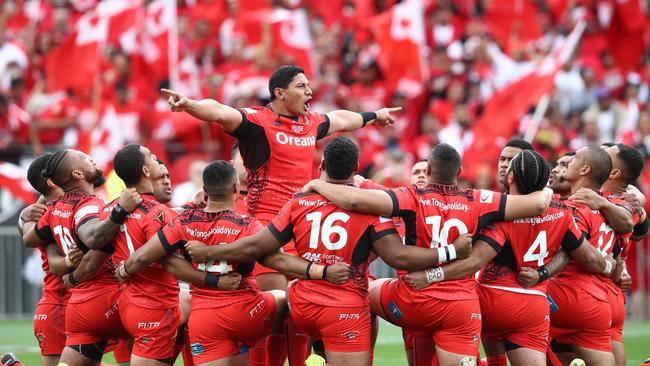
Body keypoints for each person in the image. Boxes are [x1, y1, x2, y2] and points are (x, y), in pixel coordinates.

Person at [161, 64, 401, 365]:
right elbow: (221, 112)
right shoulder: (257, 122)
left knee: (303, 315)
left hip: (301, 230)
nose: (310, 92)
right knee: (274, 317)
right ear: (279, 92)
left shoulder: (311, 123)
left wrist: (373, 116)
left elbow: (341, 119)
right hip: (266, 233)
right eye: (302, 86)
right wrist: (189, 105)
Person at [182, 138, 472, 366]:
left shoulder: (299, 201)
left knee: (285, 305)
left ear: (321, 165)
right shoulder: (372, 206)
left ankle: (317, 356)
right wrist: (447, 253)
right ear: (357, 168)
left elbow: (260, 247)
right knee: (370, 296)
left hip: (301, 305)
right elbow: (396, 256)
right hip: (345, 306)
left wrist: (208, 253)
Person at [302, 143, 553, 365]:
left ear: (429, 172)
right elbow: (539, 203)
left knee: (363, 292)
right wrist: (549, 190)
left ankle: (343, 355)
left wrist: (317, 184)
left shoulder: (410, 197)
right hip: (461, 307)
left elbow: (355, 201)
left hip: (414, 300)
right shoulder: (479, 198)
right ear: (460, 172)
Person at [114, 160, 352, 366]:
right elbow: (278, 260)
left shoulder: (182, 222)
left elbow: (146, 255)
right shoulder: (248, 225)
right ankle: (315, 356)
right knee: (289, 295)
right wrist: (320, 272)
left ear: (204, 190)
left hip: (204, 320)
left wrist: (125, 269)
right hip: (247, 314)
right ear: (237, 188)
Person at [405, 150, 615, 365]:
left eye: (508, 163)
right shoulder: (562, 211)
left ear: (512, 177)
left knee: (446, 314)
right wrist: (610, 267)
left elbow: (474, 262)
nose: (503, 166)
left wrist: (431, 275)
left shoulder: (502, 214)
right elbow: (582, 254)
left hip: (492, 299)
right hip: (535, 306)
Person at [21, 149, 141, 366]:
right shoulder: (85, 206)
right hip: (87, 299)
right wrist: (120, 211)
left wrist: (23, 219)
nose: (92, 159)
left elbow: (32, 241)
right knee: (171, 308)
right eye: (85, 158)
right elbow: (94, 238)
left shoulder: (53, 210)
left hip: (78, 303)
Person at [546, 145, 632, 366]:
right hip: (602, 299)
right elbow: (629, 229)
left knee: (509, 312)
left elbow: (571, 251)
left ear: (584, 170)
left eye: (570, 162)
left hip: (571, 292)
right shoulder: (614, 207)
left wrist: (540, 274)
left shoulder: (575, 206)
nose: (563, 165)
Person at [18, 154, 80, 366]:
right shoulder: (53, 213)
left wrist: (24, 218)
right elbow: (31, 239)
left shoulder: (62, 207)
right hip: (59, 304)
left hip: (82, 302)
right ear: (54, 180)